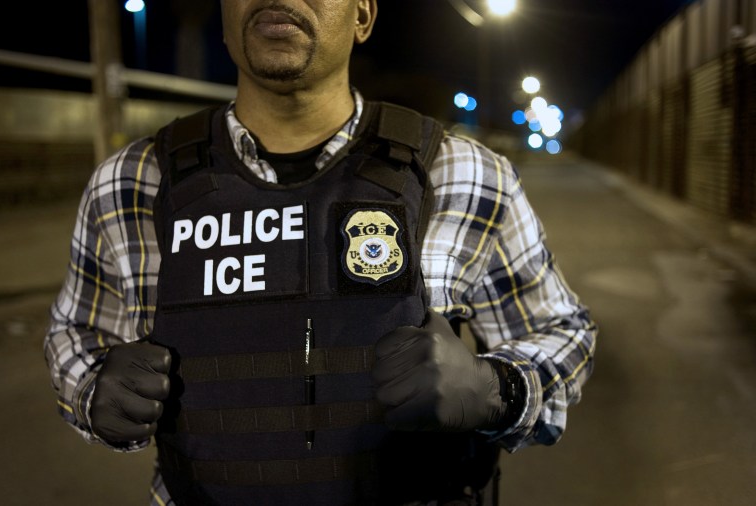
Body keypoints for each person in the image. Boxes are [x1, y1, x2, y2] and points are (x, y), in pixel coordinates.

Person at [44, 0, 596, 504]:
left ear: (363, 16)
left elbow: (561, 331)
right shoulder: (131, 183)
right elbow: (75, 331)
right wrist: (93, 390)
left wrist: (497, 388)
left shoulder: (464, 175)